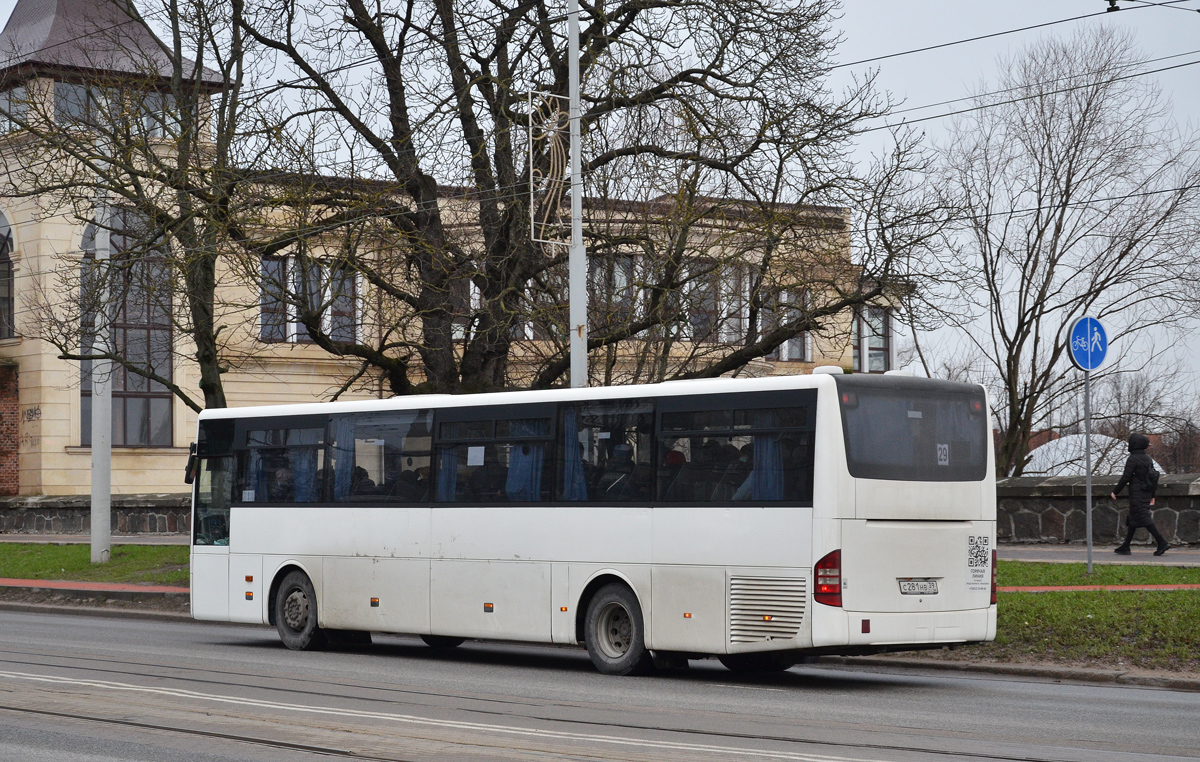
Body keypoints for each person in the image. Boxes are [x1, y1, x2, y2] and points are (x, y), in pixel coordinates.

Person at [1111, 433, 1168, 556]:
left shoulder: (1133, 459)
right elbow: (1152, 478)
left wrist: (1115, 491)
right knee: (1133, 518)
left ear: (1133, 444)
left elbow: (1126, 477)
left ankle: (1161, 542)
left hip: (1137, 493)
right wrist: (1152, 495)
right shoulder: (1148, 459)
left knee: (1143, 517)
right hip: (1145, 492)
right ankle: (1126, 546)